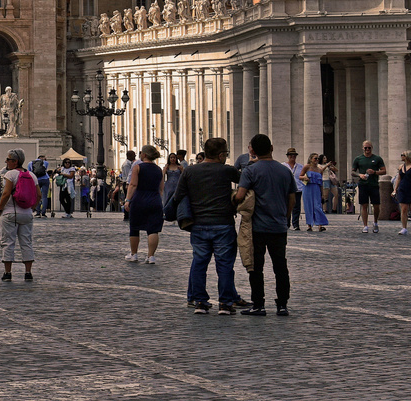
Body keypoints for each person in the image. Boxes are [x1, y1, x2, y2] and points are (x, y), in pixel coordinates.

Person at [164, 137, 244, 314]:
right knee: (224, 266)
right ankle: (225, 303)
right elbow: (245, 180)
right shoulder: (226, 171)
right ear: (221, 154)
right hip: (223, 223)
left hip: (198, 224)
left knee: (199, 263)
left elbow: (177, 196)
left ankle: (199, 302)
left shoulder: (190, 171)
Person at [232, 134, 297, 316]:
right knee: (280, 267)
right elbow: (291, 198)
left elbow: (239, 195)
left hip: (257, 227)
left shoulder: (251, 171)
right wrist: (286, 216)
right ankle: (282, 304)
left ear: (252, 150)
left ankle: (258, 304)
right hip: (278, 226)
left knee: (256, 267)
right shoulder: (284, 171)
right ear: (272, 148)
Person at [0, 147, 37, 281]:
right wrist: (31, 207)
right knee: (26, 242)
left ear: (15, 162)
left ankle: (7, 273)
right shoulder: (31, 175)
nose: (6, 162)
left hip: (10, 212)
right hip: (26, 213)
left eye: (8, 160)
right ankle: (28, 273)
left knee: (8, 242)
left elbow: (5, 194)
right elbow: (38, 195)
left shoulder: (10, 174)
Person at [124, 144, 164, 263]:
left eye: (141, 152)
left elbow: (133, 185)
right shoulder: (159, 170)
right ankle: (151, 256)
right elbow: (161, 188)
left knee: (135, 227)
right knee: (153, 229)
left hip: (139, 199)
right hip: (155, 200)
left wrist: (127, 200)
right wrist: (157, 199)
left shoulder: (138, 168)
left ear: (144, 155)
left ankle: (134, 254)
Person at [351, 141, 384, 232]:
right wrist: (360, 175)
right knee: (364, 205)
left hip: (374, 184)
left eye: (369, 148)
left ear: (371, 148)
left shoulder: (377, 158)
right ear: (363, 148)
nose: (367, 150)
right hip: (363, 184)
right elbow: (353, 172)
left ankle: (375, 222)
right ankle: (365, 225)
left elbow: (384, 171)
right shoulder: (358, 159)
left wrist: (374, 172)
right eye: (365, 148)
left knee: (376, 205)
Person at [281, 148, 305, 232]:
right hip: (286, 189)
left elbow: (303, 177)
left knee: (296, 207)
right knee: (286, 206)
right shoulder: (283, 166)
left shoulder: (300, 166)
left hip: (297, 189)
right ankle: (286, 223)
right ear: (288, 156)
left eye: (294, 155)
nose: (292, 157)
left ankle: (296, 224)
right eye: (291, 155)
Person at [303, 154, 327, 231]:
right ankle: (309, 225)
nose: (317, 160)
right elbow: (300, 176)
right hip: (308, 188)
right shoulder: (307, 167)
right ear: (311, 159)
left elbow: (321, 183)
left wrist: (322, 194)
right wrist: (304, 177)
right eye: (315, 158)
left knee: (317, 206)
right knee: (308, 206)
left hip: (316, 188)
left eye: (318, 158)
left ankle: (320, 225)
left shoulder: (320, 170)